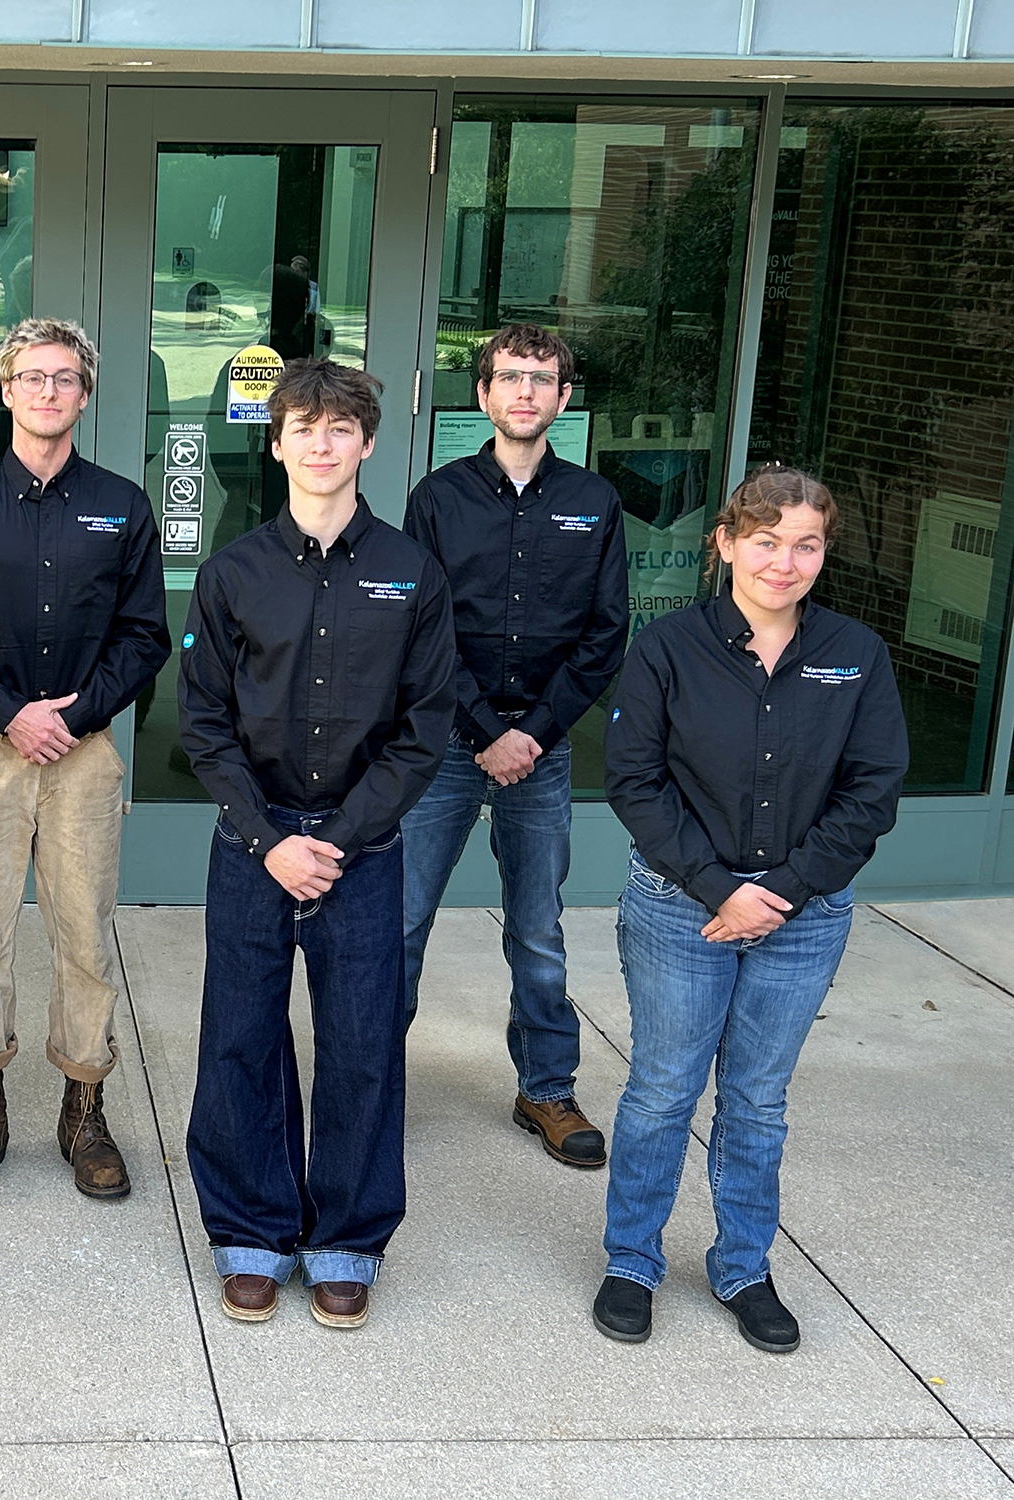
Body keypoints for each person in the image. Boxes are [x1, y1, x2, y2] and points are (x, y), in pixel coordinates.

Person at [593, 465, 905, 1354]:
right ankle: (632, 1261)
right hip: (679, 908)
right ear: (725, 543)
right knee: (661, 1090)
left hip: (803, 919)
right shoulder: (667, 648)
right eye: (765, 540)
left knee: (758, 1100)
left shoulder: (857, 653)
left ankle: (742, 1267)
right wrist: (720, 888)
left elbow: (872, 790)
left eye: (805, 544)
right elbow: (634, 780)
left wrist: (784, 892)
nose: (784, 560)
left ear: (822, 554)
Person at [178, 358, 455, 1331]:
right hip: (253, 846)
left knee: (362, 1047)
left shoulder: (411, 572)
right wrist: (272, 841)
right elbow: (203, 724)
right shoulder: (235, 571)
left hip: (361, 849)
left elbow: (425, 727)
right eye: (306, 427)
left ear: (367, 443)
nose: (324, 444)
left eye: (342, 428)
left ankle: (346, 1241)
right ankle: (251, 1232)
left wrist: (334, 840)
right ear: (278, 439)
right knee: (242, 1039)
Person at [0, 317, 168, 1205]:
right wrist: (8, 714)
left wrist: (75, 715)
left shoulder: (122, 505)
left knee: (84, 936)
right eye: (32, 377)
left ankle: (83, 1105)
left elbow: (146, 637)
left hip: (86, 753)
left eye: (65, 378)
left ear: (85, 393)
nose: (48, 391)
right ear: (6, 387)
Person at [399, 325, 629, 1169]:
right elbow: (416, 630)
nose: (526, 392)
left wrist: (530, 733)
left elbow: (605, 636)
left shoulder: (595, 503)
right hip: (444, 748)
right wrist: (483, 730)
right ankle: (373, 1084)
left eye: (543, 379)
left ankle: (547, 1090)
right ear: (484, 395)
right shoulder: (438, 497)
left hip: (543, 750)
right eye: (510, 377)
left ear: (565, 398)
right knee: (402, 920)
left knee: (537, 931)